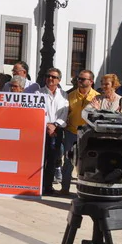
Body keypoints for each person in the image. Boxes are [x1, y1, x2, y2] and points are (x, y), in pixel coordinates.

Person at [60, 69, 98, 196]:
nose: (79, 81)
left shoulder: (98, 97)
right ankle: (64, 188)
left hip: (89, 135)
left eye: (83, 79)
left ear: (91, 81)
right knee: (67, 161)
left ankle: (85, 191)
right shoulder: (70, 96)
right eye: (78, 79)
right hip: (71, 132)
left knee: (87, 163)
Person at [41, 68, 69, 196]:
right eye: (48, 76)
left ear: (59, 80)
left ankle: (48, 186)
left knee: (53, 159)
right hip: (41, 130)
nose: (50, 79)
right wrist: (47, 125)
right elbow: (37, 112)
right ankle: (39, 185)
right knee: (41, 159)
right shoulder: (38, 93)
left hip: (57, 131)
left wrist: (55, 125)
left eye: (53, 77)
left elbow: (64, 113)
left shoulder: (64, 94)